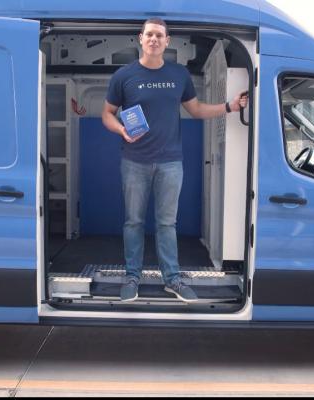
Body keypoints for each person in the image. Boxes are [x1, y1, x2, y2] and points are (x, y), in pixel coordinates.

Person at [101, 18, 248, 303]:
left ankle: (173, 279)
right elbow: (107, 112)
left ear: (167, 41)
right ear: (140, 39)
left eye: (159, 35)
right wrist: (120, 129)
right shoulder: (124, 75)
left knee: (167, 224)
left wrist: (230, 106)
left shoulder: (179, 74)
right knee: (133, 222)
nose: (154, 39)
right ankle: (133, 277)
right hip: (134, 161)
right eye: (149, 35)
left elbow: (196, 110)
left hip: (170, 163)